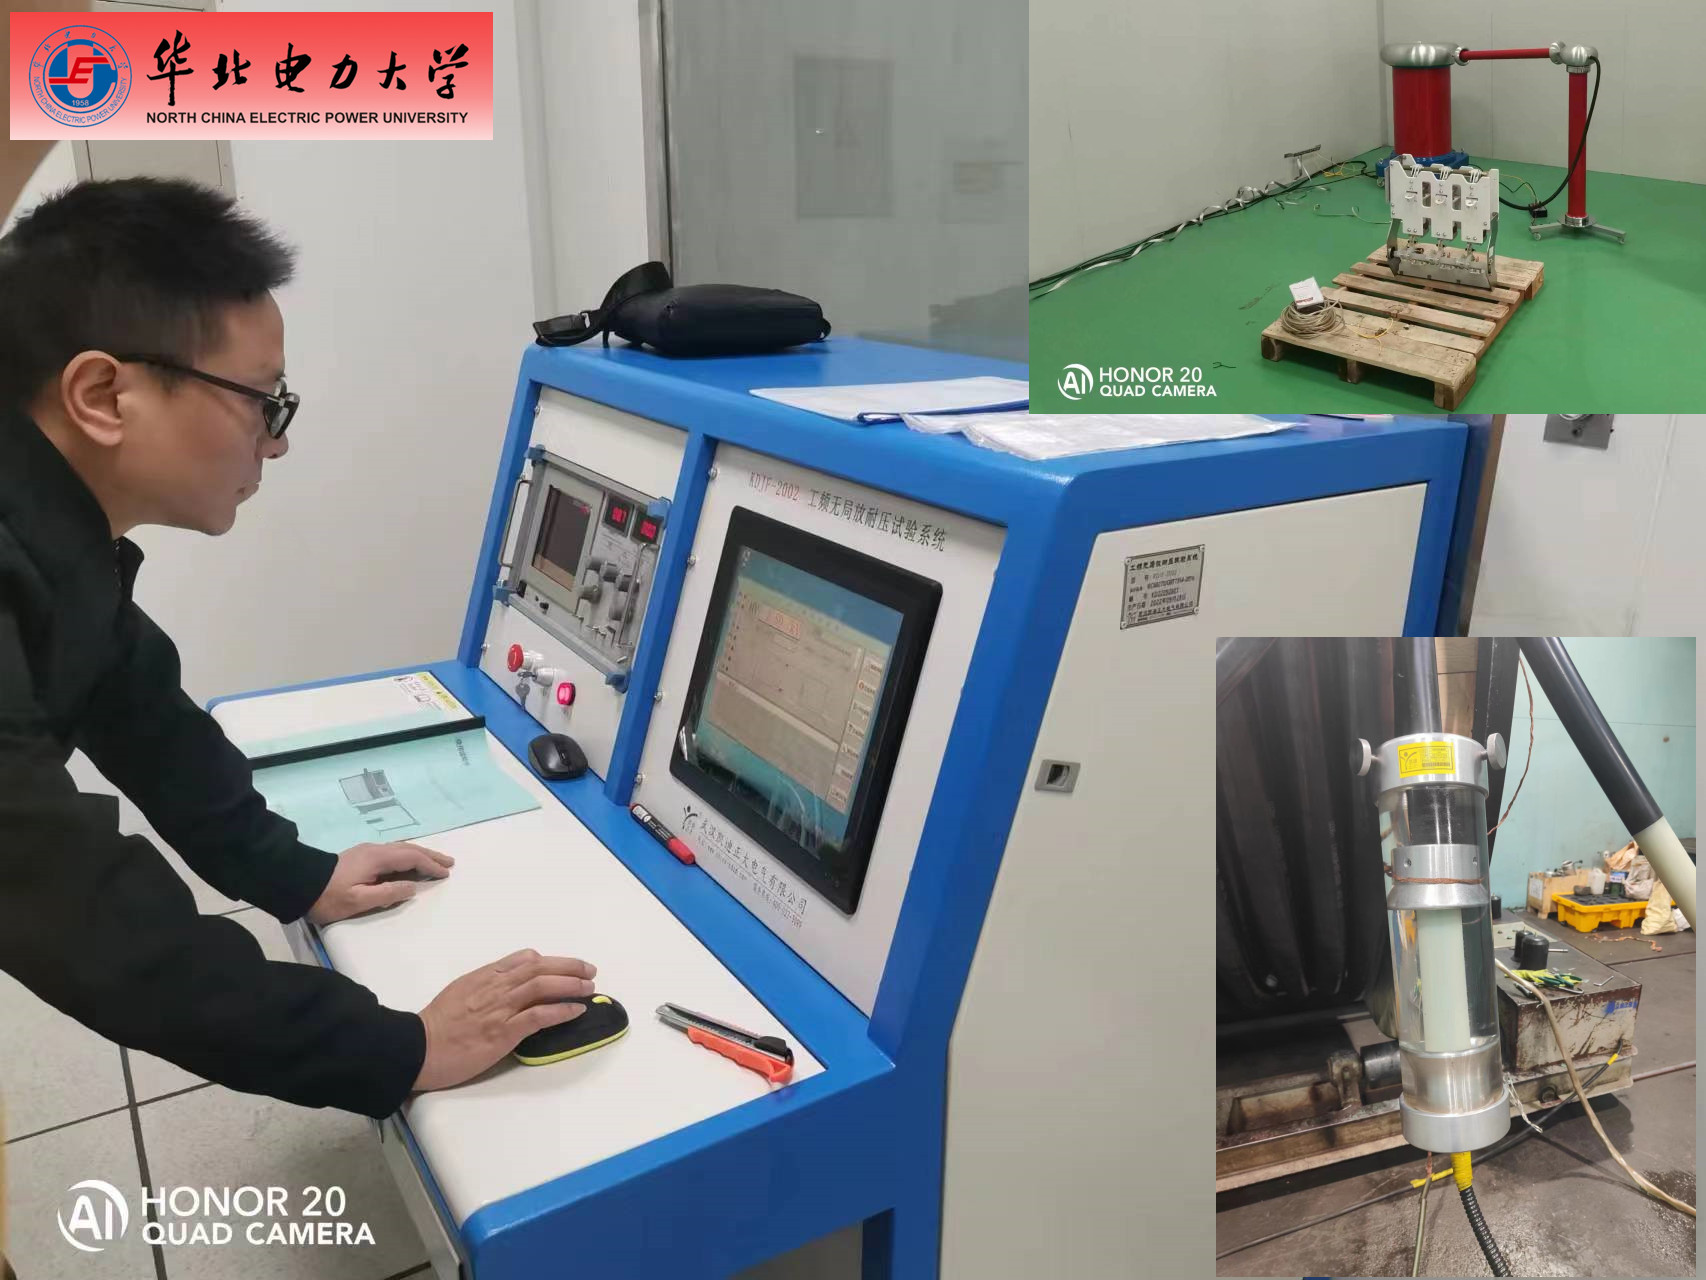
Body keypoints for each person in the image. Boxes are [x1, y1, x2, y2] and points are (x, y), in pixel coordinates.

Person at [0, 173, 601, 1167]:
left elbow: (138, 706)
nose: (276, 444)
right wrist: (399, 1047)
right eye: (261, 402)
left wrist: (293, 871)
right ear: (102, 395)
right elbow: (74, 906)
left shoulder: (50, 534)